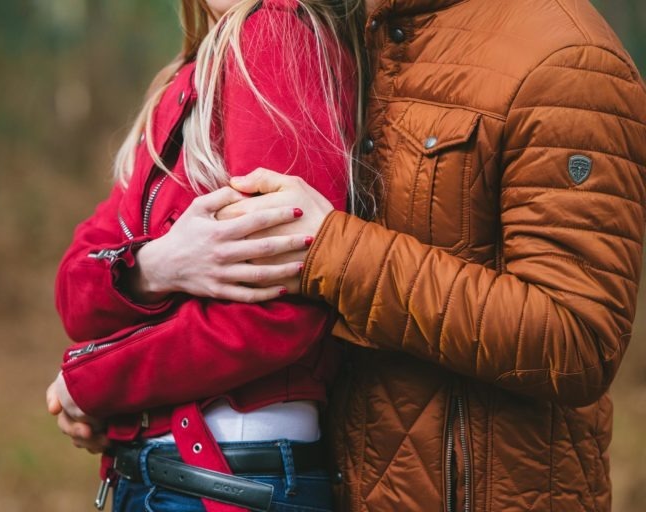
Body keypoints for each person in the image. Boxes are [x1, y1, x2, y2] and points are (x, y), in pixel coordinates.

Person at [53, 0, 646, 510]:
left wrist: (337, 249)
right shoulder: (360, 34)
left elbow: (577, 339)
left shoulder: (567, 61)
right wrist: (149, 278)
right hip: (349, 485)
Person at [46, 0, 364, 511]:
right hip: (171, 479)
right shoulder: (181, 79)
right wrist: (156, 267)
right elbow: (75, 292)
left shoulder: (276, 33)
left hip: (226, 478)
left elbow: (281, 307)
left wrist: (94, 382)